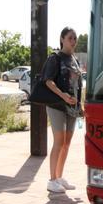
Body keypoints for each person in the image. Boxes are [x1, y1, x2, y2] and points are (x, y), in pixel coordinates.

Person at [42, 26, 83, 193]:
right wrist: (63, 96)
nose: (73, 41)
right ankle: (52, 180)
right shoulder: (55, 58)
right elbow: (48, 81)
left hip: (72, 107)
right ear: (62, 39)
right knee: (58, 142)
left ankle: (59, 177)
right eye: (70, 38)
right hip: (57, 106)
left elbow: (78, 85)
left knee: (66, 143)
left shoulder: (74, 59)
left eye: (75, 38)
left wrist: (80, 105)